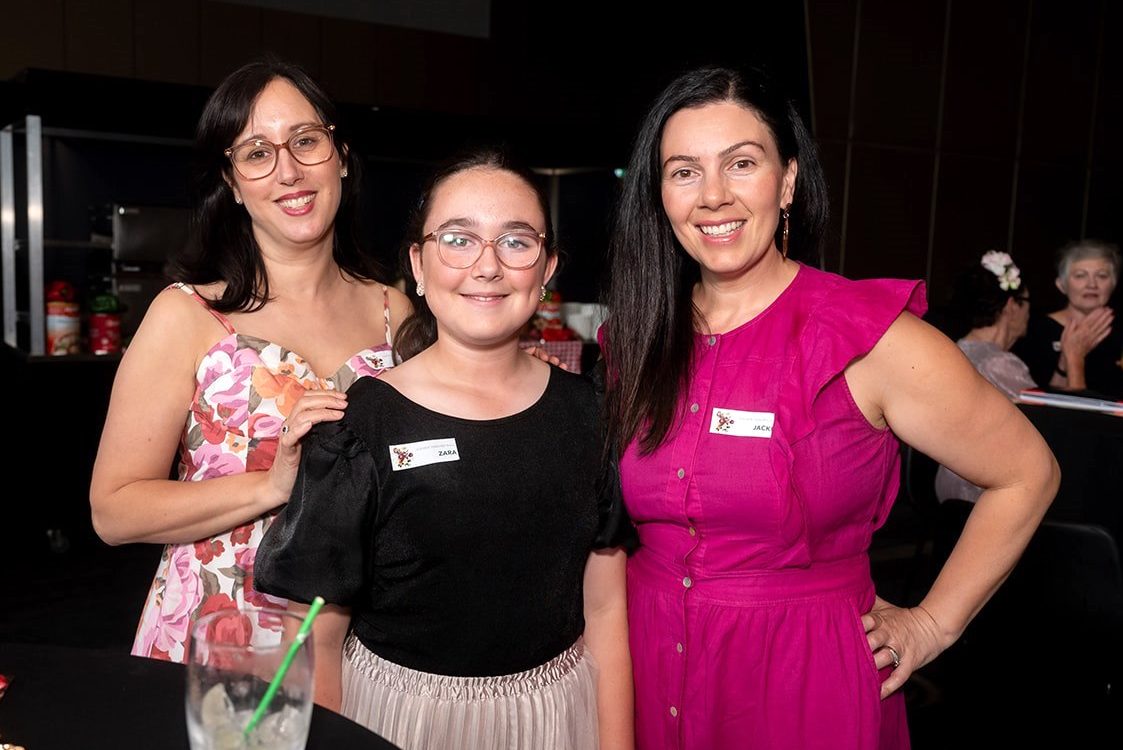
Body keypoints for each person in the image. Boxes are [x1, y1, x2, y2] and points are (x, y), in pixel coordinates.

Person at [600, 65, 1059, 749]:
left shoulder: (865, 335)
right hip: (644, 662)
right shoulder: (634, 337)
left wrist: (932, 622)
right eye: (684, 171)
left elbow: (1026, 472)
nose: (714, 195)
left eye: (742, 163)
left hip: (797, 677)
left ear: (787, 181)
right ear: (659, 195)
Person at [254, 149, 636, 750]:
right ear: (419, 265)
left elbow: (608, 611)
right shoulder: (356, 424)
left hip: (556, 717)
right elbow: (318, 638)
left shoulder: (590, 414)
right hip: (400, 720)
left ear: (547, 270)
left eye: (516, 242)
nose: (487, 267)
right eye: (458, 239)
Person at [88, 58, 411, 663]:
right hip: (221, 629)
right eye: (257, 153)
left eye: (306, 142)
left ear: (340, 155)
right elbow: (114, 510)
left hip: (365, 637)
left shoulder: (402, 315)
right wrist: (271, 484)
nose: (288, 171)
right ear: (232, 183)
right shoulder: (186, 316)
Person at [934, 251, 1034, 503]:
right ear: (1012, 306)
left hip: (947, 485)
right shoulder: (1000, 364)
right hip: (983, 490)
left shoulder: (953, 351)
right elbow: (1043, 430)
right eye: (1028, 303)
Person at [1014, 239, 1123, 399]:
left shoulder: (1119, 330)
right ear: (1061, 285)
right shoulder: (1037, 330)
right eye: (1080, 276)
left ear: (1113, 283)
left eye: (1102, 276)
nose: (1091, 284)